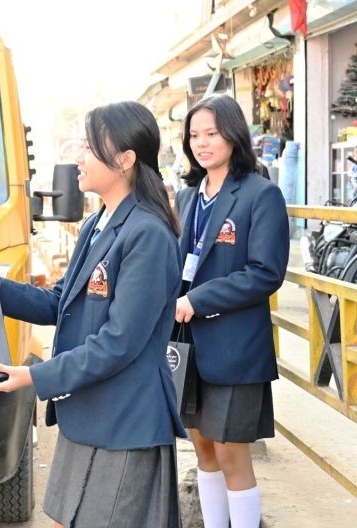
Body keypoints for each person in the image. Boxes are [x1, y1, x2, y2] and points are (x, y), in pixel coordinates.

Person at [0, 101, 185, 528]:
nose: (78, 156)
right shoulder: (99, 223)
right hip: (90, 411)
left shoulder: (147, 234)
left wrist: (35, 377)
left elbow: (119, 342)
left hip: (125, 421)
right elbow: (60, 303)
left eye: (89, 146)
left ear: (125, 159)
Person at [174, 94, 289, 528]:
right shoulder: (186, 198)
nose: (201, 144)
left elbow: (265, 273)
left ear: (233, 135)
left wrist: (197, 300)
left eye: (211, 134)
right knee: (202, 445)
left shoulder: (261, 194)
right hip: (188, 344)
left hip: (236, 347)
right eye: (194, 136)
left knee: (231, 450)